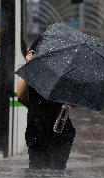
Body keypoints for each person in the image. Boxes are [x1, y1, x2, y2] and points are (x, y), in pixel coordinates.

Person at [17, 38, 76, 170]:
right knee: (36, 171)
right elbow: (20, 94)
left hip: (60, 131)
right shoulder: (31, 71)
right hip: (37, 130)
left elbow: (73, 101)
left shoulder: (63, 72)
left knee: (57, 171)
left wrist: (70, 102)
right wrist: (30, 66)